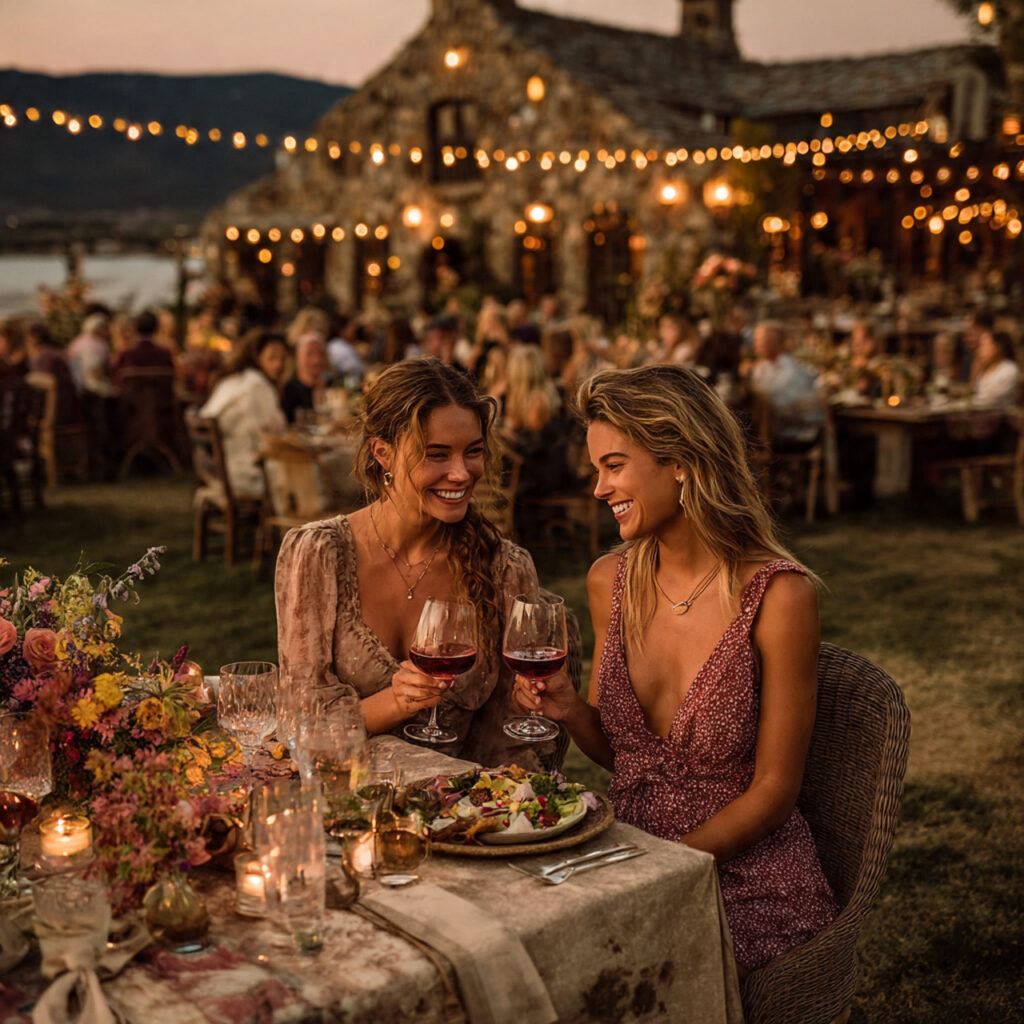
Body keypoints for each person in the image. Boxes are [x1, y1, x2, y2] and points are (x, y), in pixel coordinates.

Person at [512, 365, 836, 973]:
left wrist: (662, 869)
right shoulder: (611, 582)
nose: (599, 489)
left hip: (745, 879)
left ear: (681, 460)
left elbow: (773, 792)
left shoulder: (777, 595)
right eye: (595, 470)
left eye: (614, 466)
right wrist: (570, 710)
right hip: (626, 851)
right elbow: (624, 755)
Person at [275, 358, 554, 769]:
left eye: (472, 452)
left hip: (466, 814)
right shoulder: (319, 555)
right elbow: (300, 722)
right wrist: (394, 702)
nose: (461, 474)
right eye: (436, 454)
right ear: (382, 454)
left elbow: (510, 735)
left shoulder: (505, 569)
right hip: (346, 803)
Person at [199, 330, 288, 498]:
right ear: (256, 358)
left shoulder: (231, 381)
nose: (279, 365)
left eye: (283, 359)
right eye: (272, 358)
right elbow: (274, 435)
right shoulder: (256, 385)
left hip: (218, 472)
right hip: (245, 474)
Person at [281, 332, 330, 424]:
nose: (317, 360)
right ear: (298, 358)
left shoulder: (330, 385)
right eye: (309, 354)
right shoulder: (290, 390)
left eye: (321, 354)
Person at [972, 330, 1021, 408]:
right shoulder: (988, 368)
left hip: (1000, 415)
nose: (980, 350)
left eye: (984, 345)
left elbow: (992, 399)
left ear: (998, 347)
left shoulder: (1009, 369)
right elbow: (977, 393)